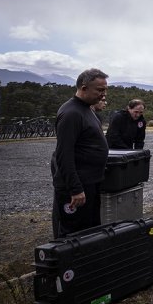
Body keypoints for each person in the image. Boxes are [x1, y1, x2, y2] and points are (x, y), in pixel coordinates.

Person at [50, 68, 109, 238]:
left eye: (105, 90)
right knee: (73, 235)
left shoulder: (87, 109)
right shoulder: (71, 113)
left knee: (89, 232)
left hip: (90, 184)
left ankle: (87, 264)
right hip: (77, 189)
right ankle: (70, 265)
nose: (103, 94)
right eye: (99, 90)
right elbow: (63, 155)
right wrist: (75, 189)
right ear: (84, 88)